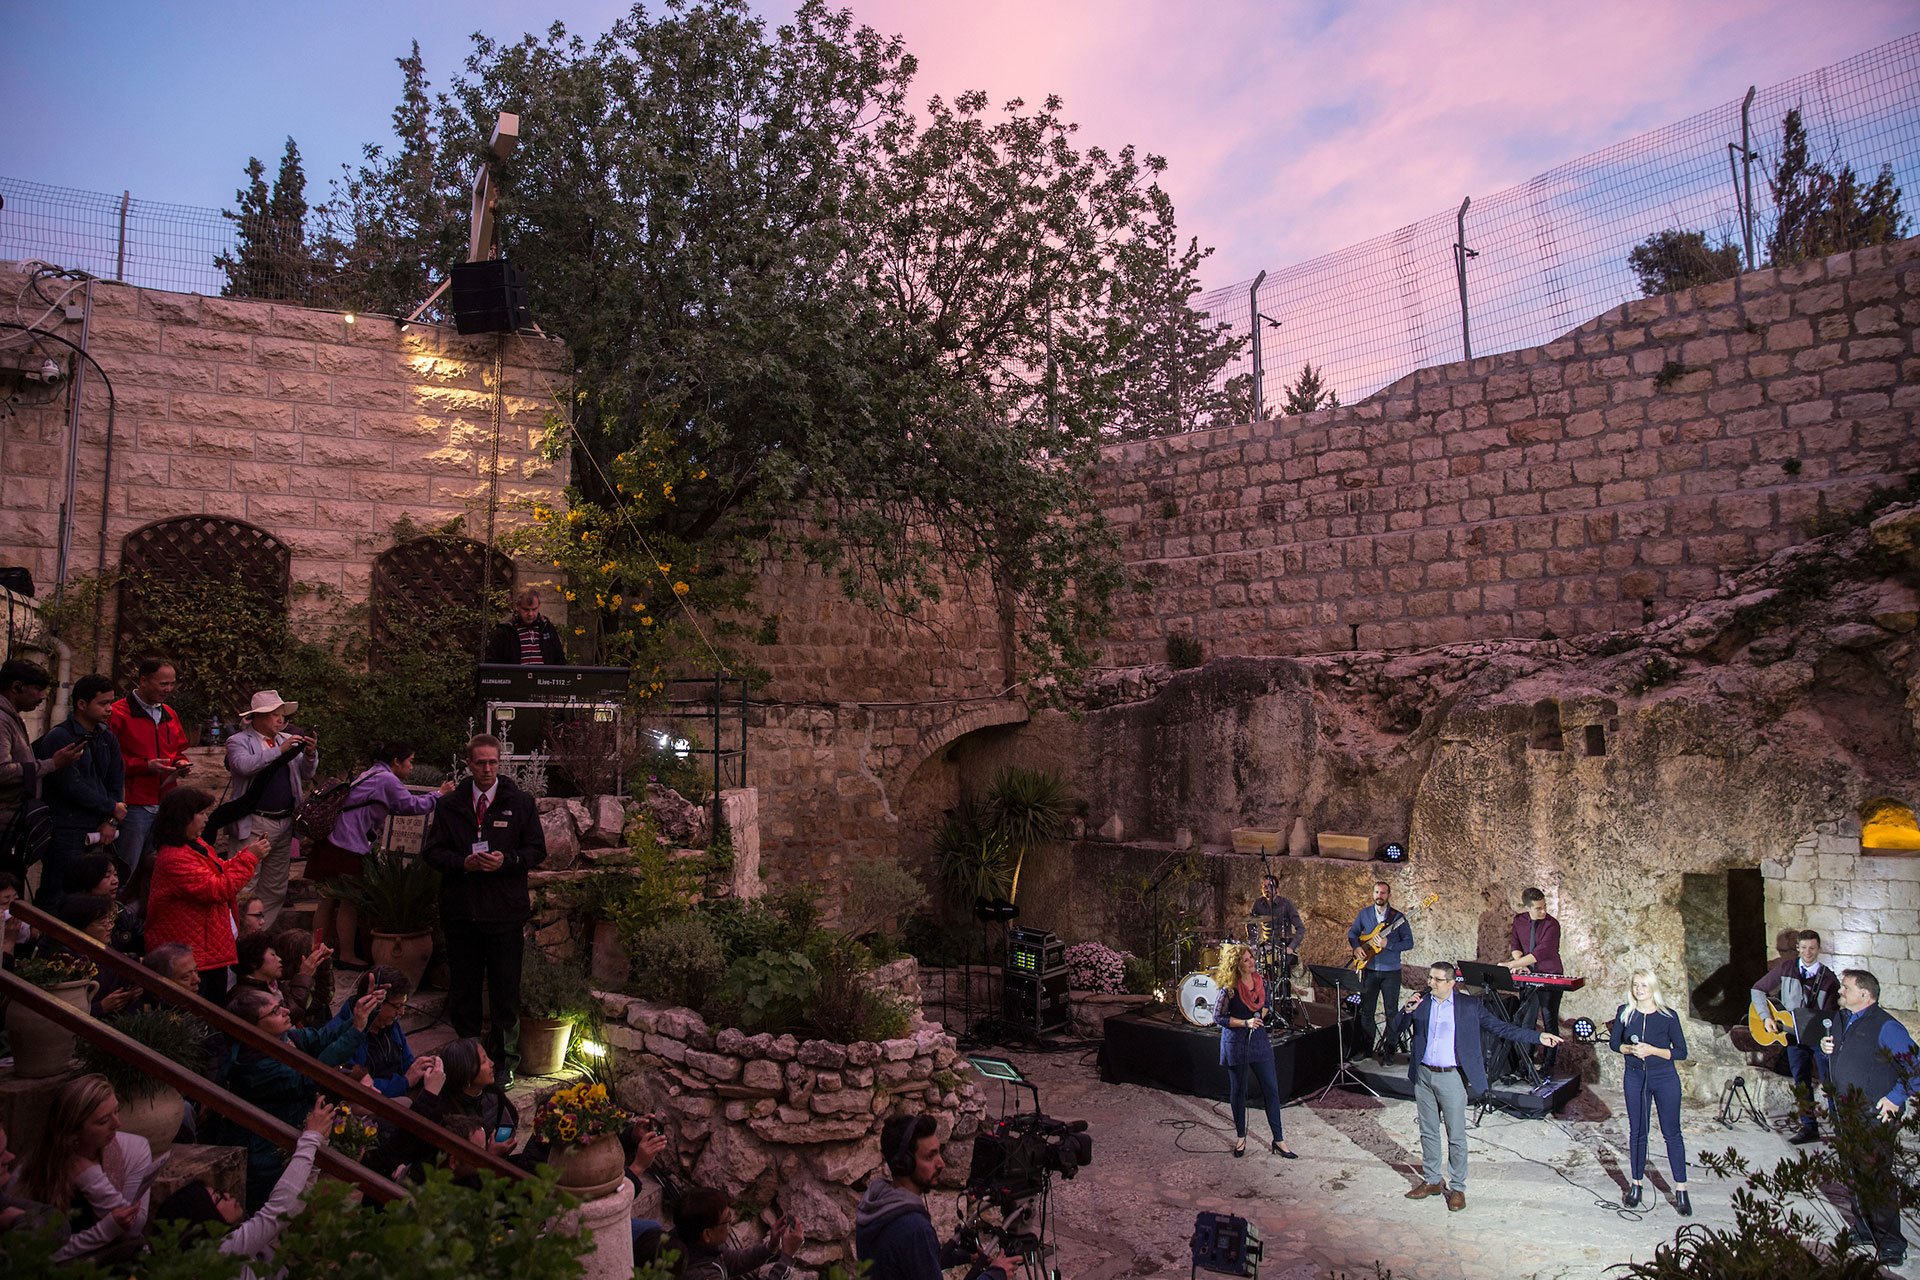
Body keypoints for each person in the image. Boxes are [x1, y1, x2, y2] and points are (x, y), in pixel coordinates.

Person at [421, 734, 547, 1082]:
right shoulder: (450, 805)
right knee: (464, 987)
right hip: (461, 912)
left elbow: (536, 850)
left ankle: (506, 1058)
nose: (488, 768)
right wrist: (464, 863)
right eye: (481, 762)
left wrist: (506, 861)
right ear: (469, 764)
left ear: (500, 763)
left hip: (504, 913)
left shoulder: (519, 803)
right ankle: (468, 1056)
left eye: (493, 762)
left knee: (506, 988)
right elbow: (432, 852)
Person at [1389, 961, 1561, 1212]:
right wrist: (1406, 1010)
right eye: (1430, 978)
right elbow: (1395, 1030)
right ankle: (1432, 1181)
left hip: (1450, 1077)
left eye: (1436, 980)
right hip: (1424, 1074)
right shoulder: (1422, 1003)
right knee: (1428, 1131)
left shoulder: (1469, 1006)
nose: (1430, 983)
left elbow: (1502, 1028)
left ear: (1451, 983)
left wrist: (1538, 1037)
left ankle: (1458, 1188)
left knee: (1456, 1134)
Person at [221, 982, 382, 1207]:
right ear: (253, 1028)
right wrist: (356, 1029)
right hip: (270, 1153)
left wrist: (365, 1011)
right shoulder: (253, 1067)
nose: (286, 1011)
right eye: (275, 1011)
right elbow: (313, 1073)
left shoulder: (287, 1039)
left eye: (281, 1005)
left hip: (297, 1136)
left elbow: (324, 1036)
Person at [150, 1099, 333, 1280]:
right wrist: (310, 1138)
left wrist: (317, 1148)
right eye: (219, 1197)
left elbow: (289, 1210)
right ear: (203, 1218)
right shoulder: (222, 1251)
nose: (228, 1194)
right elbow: (279, 1209)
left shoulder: (226, 1244)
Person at [307, 740, 453, 968]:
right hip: (347, 845)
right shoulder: (387, 780)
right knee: (348, 902)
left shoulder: (372, 773)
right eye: (410, 762)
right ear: (396, 762)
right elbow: (411, 805)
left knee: (326, 900)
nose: (412, 768)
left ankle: (316, 952)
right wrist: (439, 794)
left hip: (332, 840)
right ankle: (346, 955)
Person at [1820, 968, 1916, 1267]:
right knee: (1853, 1170)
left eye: (1845, 988)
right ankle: (1864, 1228)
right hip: (1845, 1110)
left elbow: (1914, 1067)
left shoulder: (1887, 1026)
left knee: (1877, 1176)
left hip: (1874, 1114)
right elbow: (1841, 1056)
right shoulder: (1841, 1019)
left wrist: (1895, 1098)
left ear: (1864, 994)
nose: (1840, 992)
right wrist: (1826, 1050)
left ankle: (1891, 1243)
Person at [16, 1074, 160, 1263]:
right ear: (73, 1131)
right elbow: (34, 1254)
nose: (117, 1124)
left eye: (117, 1111)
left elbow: (132, 1228)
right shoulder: (33, 1170)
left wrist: (90, 1176)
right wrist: (105, 1229)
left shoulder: (134, 1148)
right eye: (103, 1121)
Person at [856, 1113, 1010, 1280]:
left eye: (939, 1153)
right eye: (930, 1156)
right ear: (904, 1164)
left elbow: (910, 1265)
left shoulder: (876, 1206)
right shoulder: (914, 1228)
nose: (941, 1164)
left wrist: (964, 1256)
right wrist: (996, 1274)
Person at [144, 786, 261, 1003]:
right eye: (201, 813)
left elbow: (219, 871)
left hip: (209, 947)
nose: (206, 819)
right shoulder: (174, 858)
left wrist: (247, 854)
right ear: (184, 817)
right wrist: (249, 859)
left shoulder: (196, 845)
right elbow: (216, 889)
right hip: (191, 954)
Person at [223, 690, 317, 930]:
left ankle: (258, 934)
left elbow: (307, 774)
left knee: (275, 887)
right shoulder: (239, 741)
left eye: (281, 715)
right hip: (253, 821)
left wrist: (310, 754)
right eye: (274, 714)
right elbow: (244, 766)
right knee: (245, 882)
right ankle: (236, 936)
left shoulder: (286, 739)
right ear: (257, 717)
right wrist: (280, 750)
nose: (280, 720)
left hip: (284, 822)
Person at [31, 674, 125, 910]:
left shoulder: (106, 737)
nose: (109, 709)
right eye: (102, 704)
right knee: (59, 892)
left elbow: (116, 781)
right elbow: (70, 785)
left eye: (110, 703)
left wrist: (111, 819)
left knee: (92, 894)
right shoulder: (60, 737)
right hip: (67, 828)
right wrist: (110, 807)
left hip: (98, 826)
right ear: (82, 705)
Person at [1610, 968, 1690, 1214]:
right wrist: (1629, 1050)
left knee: (1671, 1132)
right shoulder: (1625, 1013)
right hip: (1635, 1077)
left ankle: (1681, 1189)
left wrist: (1653, 1050)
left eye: (1644, 985)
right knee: (1638, 1132)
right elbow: (1615, 1044)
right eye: (1636, 985)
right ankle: (1636, 1185)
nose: (1639, 990)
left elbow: (1681, 1052)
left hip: (1664, 1077)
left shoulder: (1668, 1016)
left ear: (1653, 988)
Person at [1750, 928, 1841, 1145]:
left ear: (1818, 949)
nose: (1808, 952)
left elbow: (1833, 1014)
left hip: (1818, 1038)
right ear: (1797, 949)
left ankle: (1841, 1130)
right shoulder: (1786, 968)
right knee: (1801, 1081)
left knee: (1829, 1083)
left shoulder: (1829, 978)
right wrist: (1766, 1017)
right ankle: (1809, 1127)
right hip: (1792, 1037)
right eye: (1803, 948)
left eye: (1812, 948)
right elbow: (1758, 990)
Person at [106, 657, 192, 878]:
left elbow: (178, 749)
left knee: (157, 868)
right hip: (134, 803)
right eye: (163, 684)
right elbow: (107, 761)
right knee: (127, 868)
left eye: (172, 683)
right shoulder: (117, 714)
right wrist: (144, 766)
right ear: (143, 681)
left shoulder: (169, 713)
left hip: (165, 801)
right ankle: (118, 911)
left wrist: (180, 763)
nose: (169, 689)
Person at [1210, 942, 1297, 1159]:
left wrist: (1259, 1016)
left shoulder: (1259, 981)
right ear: (1237, 964)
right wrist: (1245, 1023)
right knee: (1239, 1091)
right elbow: (1218, 1017)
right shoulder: (1229, 988)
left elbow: (1266, 1003)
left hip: (1258, 1040)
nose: (1252, 962)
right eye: (1247, 960)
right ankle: (1241, 1137)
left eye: (1252, 958)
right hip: (1236, 1042)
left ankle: (1279, 1140)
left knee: (1271, 1089)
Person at [1, 658, 81, 880]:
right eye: (37, 689)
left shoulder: (11, 716)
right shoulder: (1, 719)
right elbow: (3, 771)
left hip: (12, 822)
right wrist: (51, 764)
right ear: (17, 687)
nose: (42, 696)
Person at [671, 1186, 804, 1280]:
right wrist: (787, 1256)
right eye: (726, 1221)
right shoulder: (702, 1276)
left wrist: (771, 1246)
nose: (730, 1225)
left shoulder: (694, 1242)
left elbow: (733, 1262)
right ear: (707, 1234)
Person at [1347, 881, 1414, 1059]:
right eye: (1377, 892)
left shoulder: (1398, 918)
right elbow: (1353, 933)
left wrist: (1388, 944)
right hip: (1369, 970)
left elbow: (1409, 943)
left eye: (1383, 893)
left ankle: (1389, 1050)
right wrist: (1356, 948)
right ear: (1373, 893)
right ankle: (1367, 1050)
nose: (1379, 895)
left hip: (1391, 972)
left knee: (1391, 1012)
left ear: (1388, 895)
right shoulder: (1364, 914)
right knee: (1366, 1011)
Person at [1501, 887, 1566, 1070]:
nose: (1543, 911)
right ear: (1527, 907)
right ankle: (1524, 1066)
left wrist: (1511, 966)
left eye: (1545, 906)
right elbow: (1515, 945)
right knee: (1527, 1021)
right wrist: (1520, 964)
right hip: (1529, 977)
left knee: (1549, 1020)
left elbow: (1541, 952)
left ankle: (1548, 1066)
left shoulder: (1552, 924)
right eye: (1538, 908)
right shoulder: (1519, 921)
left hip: (1550, 976)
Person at [486, 589, 567, 666]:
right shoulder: (506, 630)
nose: (530, 614)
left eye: (534, 609)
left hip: (543, 679)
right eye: (526, 610)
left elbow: (559, 659)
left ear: (539, 606)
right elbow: (492, 661)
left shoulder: (546, 627)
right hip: (517, 678)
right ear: (518, 606)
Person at [1250, 874, 1305, 962]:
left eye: (1270, 886)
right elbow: (1250, 924)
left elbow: (1301, 928)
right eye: (1264, 886)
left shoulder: (1286, 904)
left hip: (1284, 947)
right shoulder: (1258, 904)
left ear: (1277, 889)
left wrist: (1291, 946)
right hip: (1267, 946)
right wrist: (1253, 945)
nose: (1267, 889)